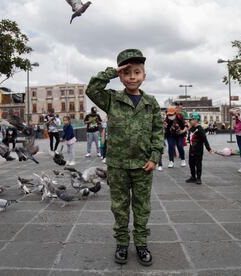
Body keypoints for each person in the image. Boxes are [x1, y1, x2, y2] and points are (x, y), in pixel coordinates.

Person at [86, 49, 163, 266]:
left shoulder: (151, 103)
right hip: (118, 166)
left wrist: (155, 157)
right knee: (119, 206)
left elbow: (158, 131)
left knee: (142, 206)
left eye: (137, 72)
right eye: (127, 72)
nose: (132, 77)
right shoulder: (112, 99)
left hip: (143, 165)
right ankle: (121, 243)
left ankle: (141, 243)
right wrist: (111, 71)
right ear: (120, 75)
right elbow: (92, 88)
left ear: (144, 76)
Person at [185, 113, 214, 185]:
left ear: (196, 120)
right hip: (192, 149)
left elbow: (205, 140)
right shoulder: (191, 129)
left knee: (198, 164)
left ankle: (198, 178)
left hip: (198, 150)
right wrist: (187, 140)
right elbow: (189, 138)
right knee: (191, 163)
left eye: (190, 120)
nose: (189, 121)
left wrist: (209, 149)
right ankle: (193, 177)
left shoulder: (200, 129)